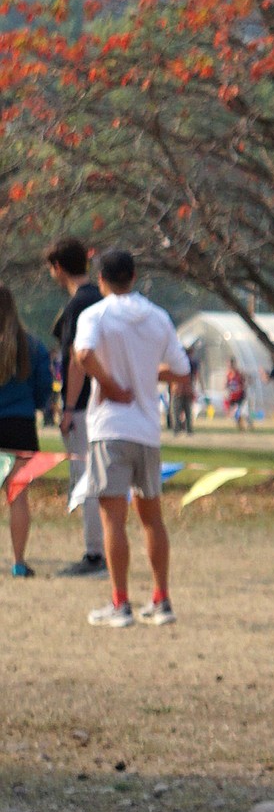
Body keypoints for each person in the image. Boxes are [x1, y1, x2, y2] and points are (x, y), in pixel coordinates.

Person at [71, 246, 192, 627]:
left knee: (113, 521)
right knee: (152, 519)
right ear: (135, 277)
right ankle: (161, 599)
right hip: (147, 431)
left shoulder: (96, 313)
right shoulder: (157, 317)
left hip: (111, 427)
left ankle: (120, 602)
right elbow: (182, 372)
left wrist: (110, 383)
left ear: (101, 279)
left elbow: (83, 354)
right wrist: (144, 376)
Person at [47, 236, 108, 577]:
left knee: (85, 480)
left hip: (84, 408)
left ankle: (94, 555)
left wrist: (68, 408)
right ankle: (104, 549)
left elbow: (75, 362)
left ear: (58, 267)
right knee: (101, 479)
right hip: (106, 403)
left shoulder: (76, 306)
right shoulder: (102, 299)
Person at [0, 286, 54, 578]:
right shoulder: (32, 345)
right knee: (18, 497)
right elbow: (44, 386)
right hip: (20, 426)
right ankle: (19, 562)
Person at [224, 356, 246, 428]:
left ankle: (240, 424)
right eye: (228, 364)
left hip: (240, 395)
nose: (229, 366)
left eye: (230, 364)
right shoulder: (228, 374)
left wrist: (240, 388)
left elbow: (243, 384)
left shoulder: (239, 374)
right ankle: (239, 423)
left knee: (238, 410)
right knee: (232, 410)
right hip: (232, 396)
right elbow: (226, 385)